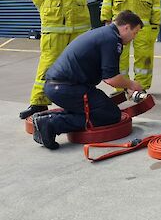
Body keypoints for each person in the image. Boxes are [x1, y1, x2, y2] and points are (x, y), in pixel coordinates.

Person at [31, 10, 144, 150]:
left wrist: (126, 86)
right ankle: (51, 124)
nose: (134, 37)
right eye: (135, 33)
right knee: (110, 115)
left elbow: (108, 74)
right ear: (126, 27)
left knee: (101, 107)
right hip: (67, 88)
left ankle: (47, 120)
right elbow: (111, 79)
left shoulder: (105, 34)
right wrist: (132, 84)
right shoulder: (112, 40)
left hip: (62, 87)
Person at [19, 0, 91, 120]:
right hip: (54, 28)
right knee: (47, 64)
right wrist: (49, 13)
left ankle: (80, 100)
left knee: (79, 65)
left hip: (78, 28)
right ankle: (38, 102)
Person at [101, 0, 161, 90]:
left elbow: (156, 0)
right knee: (119, 57)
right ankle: (120, 89)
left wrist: (155, 23)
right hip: (120, 25)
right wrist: (107, 19)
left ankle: (141, 89)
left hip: (144, 25)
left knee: (144, 58)